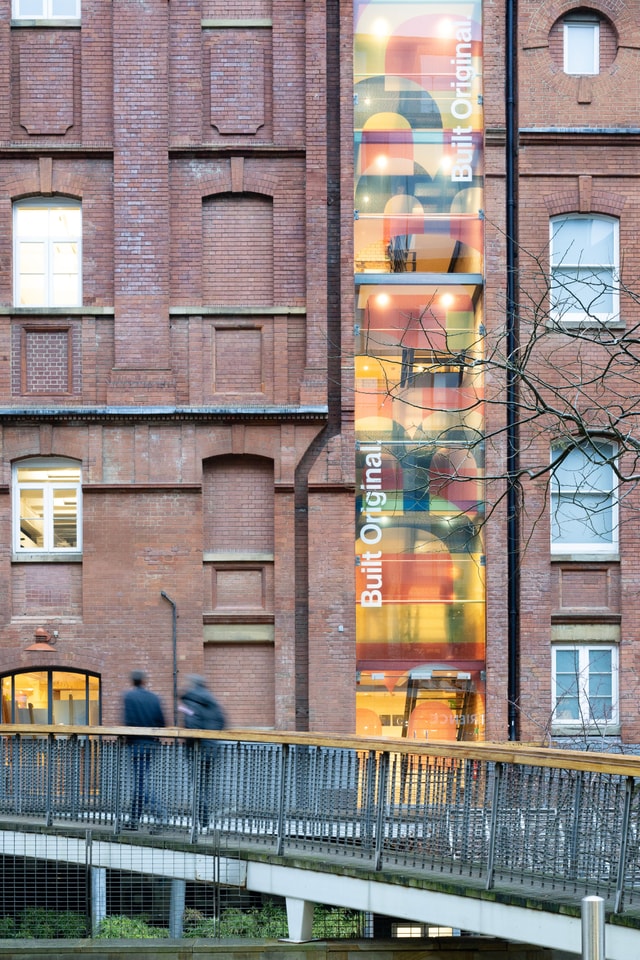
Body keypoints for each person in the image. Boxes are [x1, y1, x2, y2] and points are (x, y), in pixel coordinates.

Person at [179, 675, 225, 832]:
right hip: (211, 750)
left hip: (196, 750)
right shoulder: (213, 702)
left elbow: (191, 725)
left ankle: (200, 823)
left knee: (197, 788)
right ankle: (204, 823)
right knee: (204, 787)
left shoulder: (190, 702)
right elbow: (222, 722)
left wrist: (190, 744)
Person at [122, 669, 166, 831]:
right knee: (141, 781)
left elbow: (128, 720)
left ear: (133, 681)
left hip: (135, 744)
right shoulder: (154, 698)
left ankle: (161, 815)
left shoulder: (129, 697)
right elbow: (162, 722)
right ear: (144, 681)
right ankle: (134, 819)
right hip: (151, 744)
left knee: (141, 783)